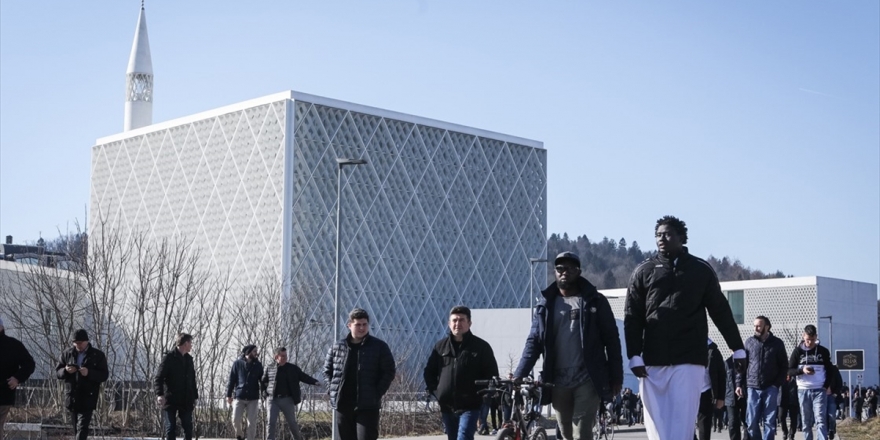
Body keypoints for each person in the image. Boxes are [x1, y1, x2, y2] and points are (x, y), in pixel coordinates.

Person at [624, 216, 746, 440]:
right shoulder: (644, 270)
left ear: (681, 237)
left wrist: (737, 348)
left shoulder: (700, 270)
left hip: (690, 358)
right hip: (653, 358)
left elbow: (720, 311)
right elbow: (633, 316)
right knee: (656, 424)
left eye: (668, 234)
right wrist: (634, 355)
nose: (662, 238)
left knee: (682, 422)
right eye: (658, 234)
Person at [514, 251, 623, 440]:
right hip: (557, 381)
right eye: (560, 268)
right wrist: (519, 374)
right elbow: (534, 342)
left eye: (571, 268)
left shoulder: (595, 301)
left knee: (581, 433)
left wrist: (616, 376)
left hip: (587, 378)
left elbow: (612, 340)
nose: (565, 272)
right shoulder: (545, 305)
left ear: (579, 272)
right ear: (555, 272)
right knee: (565, 434)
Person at [424, 306, 499, 440]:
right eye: (454, 320)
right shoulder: (440, 347)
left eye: (461, 320)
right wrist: (436, 390)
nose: (457, 324)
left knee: (463, 437)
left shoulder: (481, 347)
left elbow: (491, 373)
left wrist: (483, 394)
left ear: (469, 323)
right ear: (449, 324)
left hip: (471, 405)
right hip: (447, 405)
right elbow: (429, 371)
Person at [324, 308, 396, 440]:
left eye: (365, 324)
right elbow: (327, 371)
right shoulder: (337, 347)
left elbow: (389, 371)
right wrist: (331, 390)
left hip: (368, 405)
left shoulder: (379, 347)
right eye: (358, 324)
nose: (362, 328)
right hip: (343, 404)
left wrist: (377, 392)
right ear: (349, 325)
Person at [737, 316, 788, 440]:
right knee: (751, 421)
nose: (756, 328)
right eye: (754, 325)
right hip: (753, 387)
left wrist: (776, 384)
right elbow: (742, 365)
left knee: (769, 422)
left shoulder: (777, 343)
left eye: (759, 325)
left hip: (771, 387)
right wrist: (738, 383)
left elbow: (784, 366)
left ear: (767, 327)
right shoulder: (749, 342)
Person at [56, 329, 109, 440]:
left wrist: (89, 373)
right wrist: (66, 371)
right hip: (72, 396)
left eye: (80, 343)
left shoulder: (97, 355)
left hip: (88, 396)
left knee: (82, 427)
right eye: (75, 343)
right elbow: (58, 372)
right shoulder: (67, 354)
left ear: (86, 342)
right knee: (76, 428)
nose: (78, 345)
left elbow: (104, 375)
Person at [261, 346, 319, 440]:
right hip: (273, 399)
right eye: (282, 356)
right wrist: (264, 393)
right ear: (276, 357)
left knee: (292, 423)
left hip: (287, 399)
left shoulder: (292, 368)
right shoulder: (270, 368)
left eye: (286, 356)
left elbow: (303, 376)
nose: (285, 358)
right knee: (271, 422)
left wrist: (315, 382)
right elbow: (263, 382)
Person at [788, 324, 833, 440]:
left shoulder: (823, 351)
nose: (810, 342)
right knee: (806, 421)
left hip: (819, 389)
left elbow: (830, 370)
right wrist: (802, 370)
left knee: (820, 419)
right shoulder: (797, 352)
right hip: (803, 390)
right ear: (803, 336)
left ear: (816, 337)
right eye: (808, 339)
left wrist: (826, 386)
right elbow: (789, 370)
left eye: (813, 340)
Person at [154, 333, 199, 440]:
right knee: (170, 428)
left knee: (188, 428)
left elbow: (192, 380)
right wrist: (160, 394)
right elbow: (159, 377)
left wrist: (195, 396)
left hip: (186, 399)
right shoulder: (169, 358)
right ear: (185, 343)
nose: (191, 345)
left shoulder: (189, 359)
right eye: (190, 343)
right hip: (171, 398)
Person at [0, 317, 35, 440]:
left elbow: (29, 364)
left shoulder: (13, 345)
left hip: (3, 393)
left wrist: (17, 378)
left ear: (1, 327)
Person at [226, 345, 264, 440]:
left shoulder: (258, 365)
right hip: (239, 396)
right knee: (235, 419)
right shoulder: (237, 364)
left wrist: (265, 394)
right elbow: (232, 380)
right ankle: (240, 435)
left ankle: (250, 438)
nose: (256, 353)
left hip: (253, 397)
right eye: (254, 351)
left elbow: (262, 381)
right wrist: (228, 395)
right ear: (248, 352)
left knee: (252, 422)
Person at [696, 338, 725, 440]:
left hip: (706, 392)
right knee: (685, 425)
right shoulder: (685, 344)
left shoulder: (714, 351)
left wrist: (721, 397)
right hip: (688, 391)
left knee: (704, 425)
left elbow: (721, 374)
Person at [724, 356, 747, 440]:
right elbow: (724, 379)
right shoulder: (727, 362)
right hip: (730, 396)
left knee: (746, 421)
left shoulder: (746, 361)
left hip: (745, 395)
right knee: (733, 422)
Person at [779, 375, 799, 440]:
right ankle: (785, 431)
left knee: (793, 418)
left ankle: (792, 434)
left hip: (793, 398)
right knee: (781, 416)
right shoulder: (782, 372)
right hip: (783, 398)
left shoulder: (795, 375)